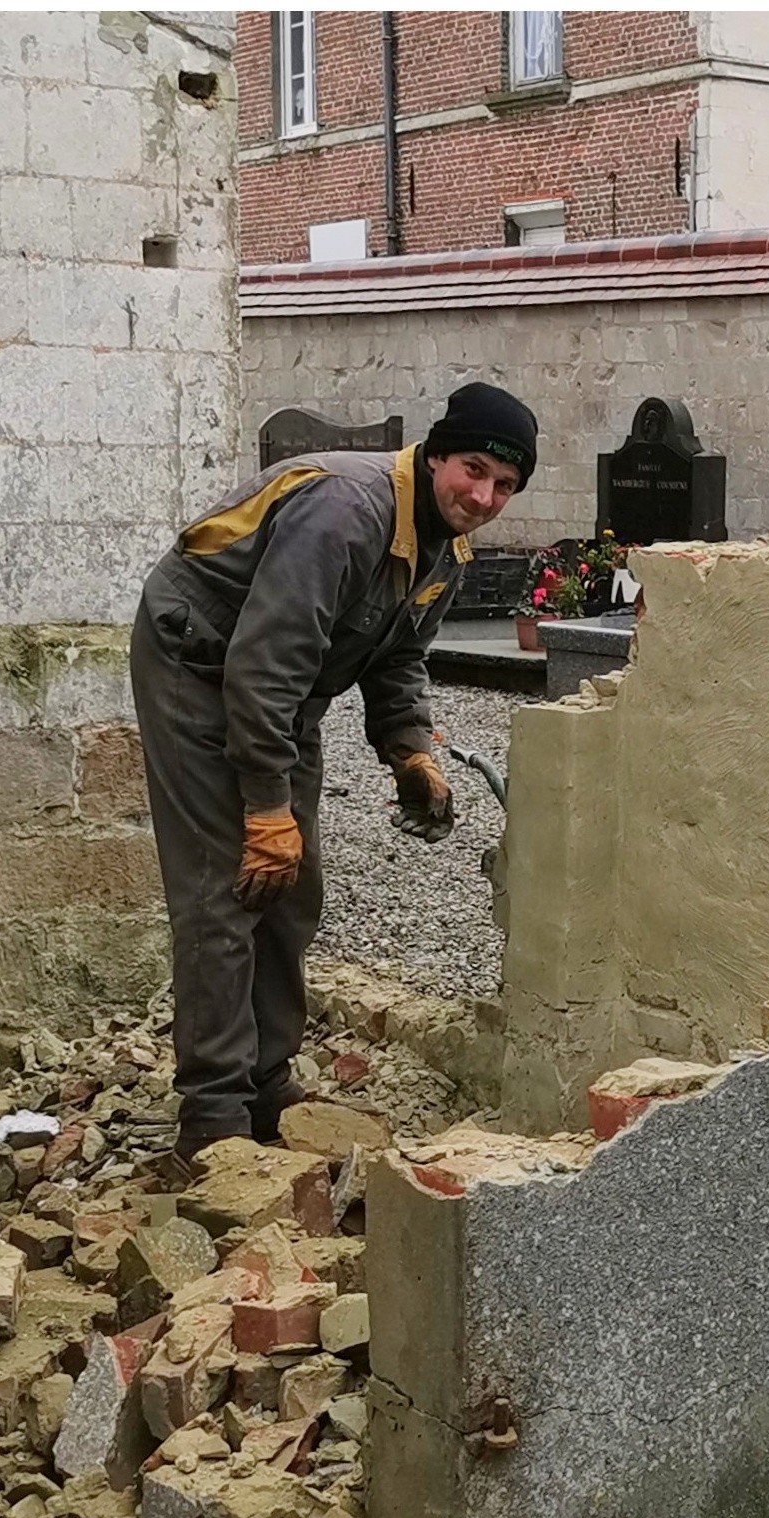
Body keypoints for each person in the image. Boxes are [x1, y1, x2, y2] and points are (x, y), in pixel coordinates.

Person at [129, 381, 536, 1158]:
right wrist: (263, 807)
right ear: (436, 454)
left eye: (506, 486)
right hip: (201, 661)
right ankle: (213, 1118)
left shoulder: (444, 548)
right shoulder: (347, 511)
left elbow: (400, 658)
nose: (484, 496)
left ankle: (265, 1081)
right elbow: (262, 666)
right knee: (230, 882)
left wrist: (408, 749)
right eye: (474, 470)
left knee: (293, 883)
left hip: (282, 684)